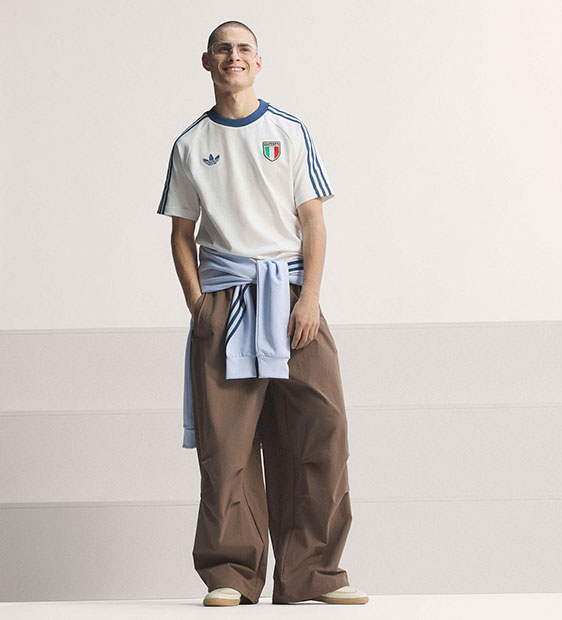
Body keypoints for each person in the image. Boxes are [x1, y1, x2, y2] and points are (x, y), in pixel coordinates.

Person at [156, 20, 368, 607]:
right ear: (207, 62)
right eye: (223, 49)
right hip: (225, 300)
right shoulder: (190, 144)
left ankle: (313, 575)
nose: (234, 56)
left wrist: (310, 298)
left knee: (322, 430)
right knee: (227, 444)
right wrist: (199, 304)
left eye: (243, 48)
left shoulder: (289, 131)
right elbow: (181, 234)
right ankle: (231, 573)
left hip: (293, 296)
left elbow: (313, 221)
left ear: (258, 61)